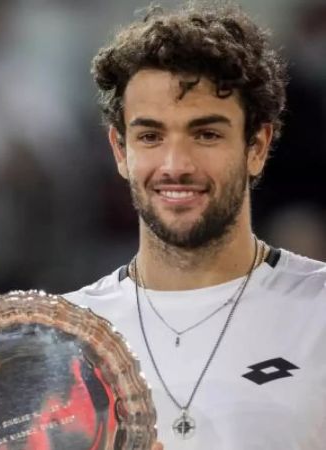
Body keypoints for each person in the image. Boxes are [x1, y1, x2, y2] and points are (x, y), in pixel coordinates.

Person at [65, 3, 326, 449]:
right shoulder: (64, 338)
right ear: (120, 150)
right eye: (150, 136)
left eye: (206, 134)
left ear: (257, 146)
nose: (175, 165)